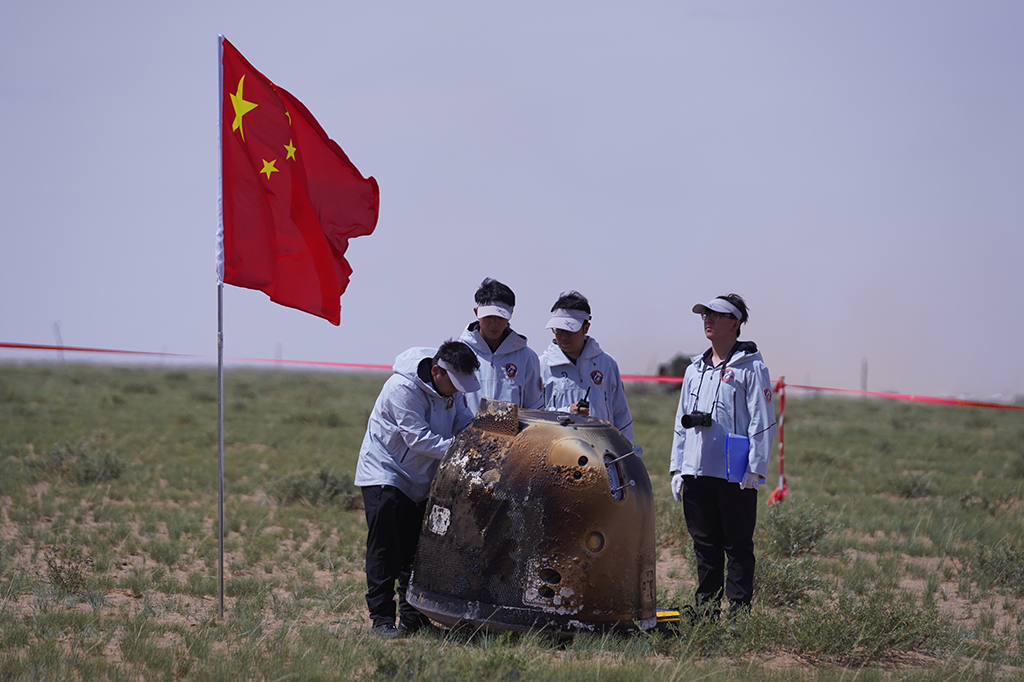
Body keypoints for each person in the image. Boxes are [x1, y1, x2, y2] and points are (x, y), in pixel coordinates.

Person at [354, 341, 480, 638]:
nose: (459, 392)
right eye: (456, 384)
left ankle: (414, 618)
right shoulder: (402, 388)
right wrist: (463, 450)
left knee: (415, 552)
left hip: (420, 480)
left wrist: (478, 438)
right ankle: (382, 620)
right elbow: (419, 439)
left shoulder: (451, 391)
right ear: (436, 371)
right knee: (386, 550)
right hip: (385, 474)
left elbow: (463, 421)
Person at [669, 294, 777, 619]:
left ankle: (739, 615)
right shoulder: (694, 370)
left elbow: (763, 419)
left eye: (716, 315)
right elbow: (680, 422)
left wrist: (755, 468)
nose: (708, 320)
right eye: (705, 315)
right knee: (705, 548)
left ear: (735, 323)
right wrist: (677, 468)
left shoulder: (752, 369)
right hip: (697, 471)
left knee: (738, 546)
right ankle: (706, 611)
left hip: (735, 473)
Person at [539, 291, 637, 448]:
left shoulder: (607, 364)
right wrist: (567, 413)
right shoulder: (542, 366)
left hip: (601, 455)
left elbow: (621, 415)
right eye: (558, 330)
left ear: (586, 327)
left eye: (570, 330)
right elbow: (534, 416)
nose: (563, 336)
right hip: (556, 455)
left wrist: (623, 454)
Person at [458, 277, 543, 414]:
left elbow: (534, 408)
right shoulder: (459, 352)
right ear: (476, 313)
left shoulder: (526, 357)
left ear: (511, 315)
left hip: (513, 435)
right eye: (488, 317)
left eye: (500, 317)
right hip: (468, 433)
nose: (494, 323)